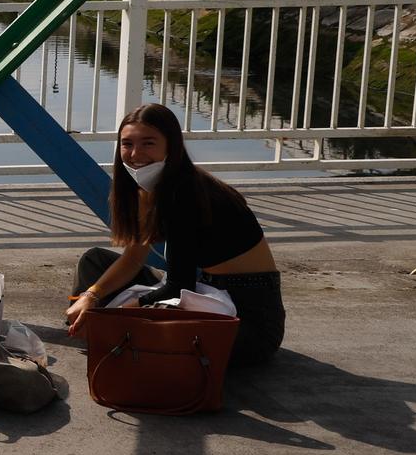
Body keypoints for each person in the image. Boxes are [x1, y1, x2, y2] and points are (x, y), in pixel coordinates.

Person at [65, 103, 284, 367]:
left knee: (161, 312)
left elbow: (179, 288)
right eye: (127, 144)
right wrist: (92, 297)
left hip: (244, 321)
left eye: (148, 143)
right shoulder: (146, 188)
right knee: (95, 261)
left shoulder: (187, 194)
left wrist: (114, 316)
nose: (135, 154)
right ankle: (97, 325)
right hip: (202, 291)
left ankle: (106, 331)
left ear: (171, 145)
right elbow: (134, 259)